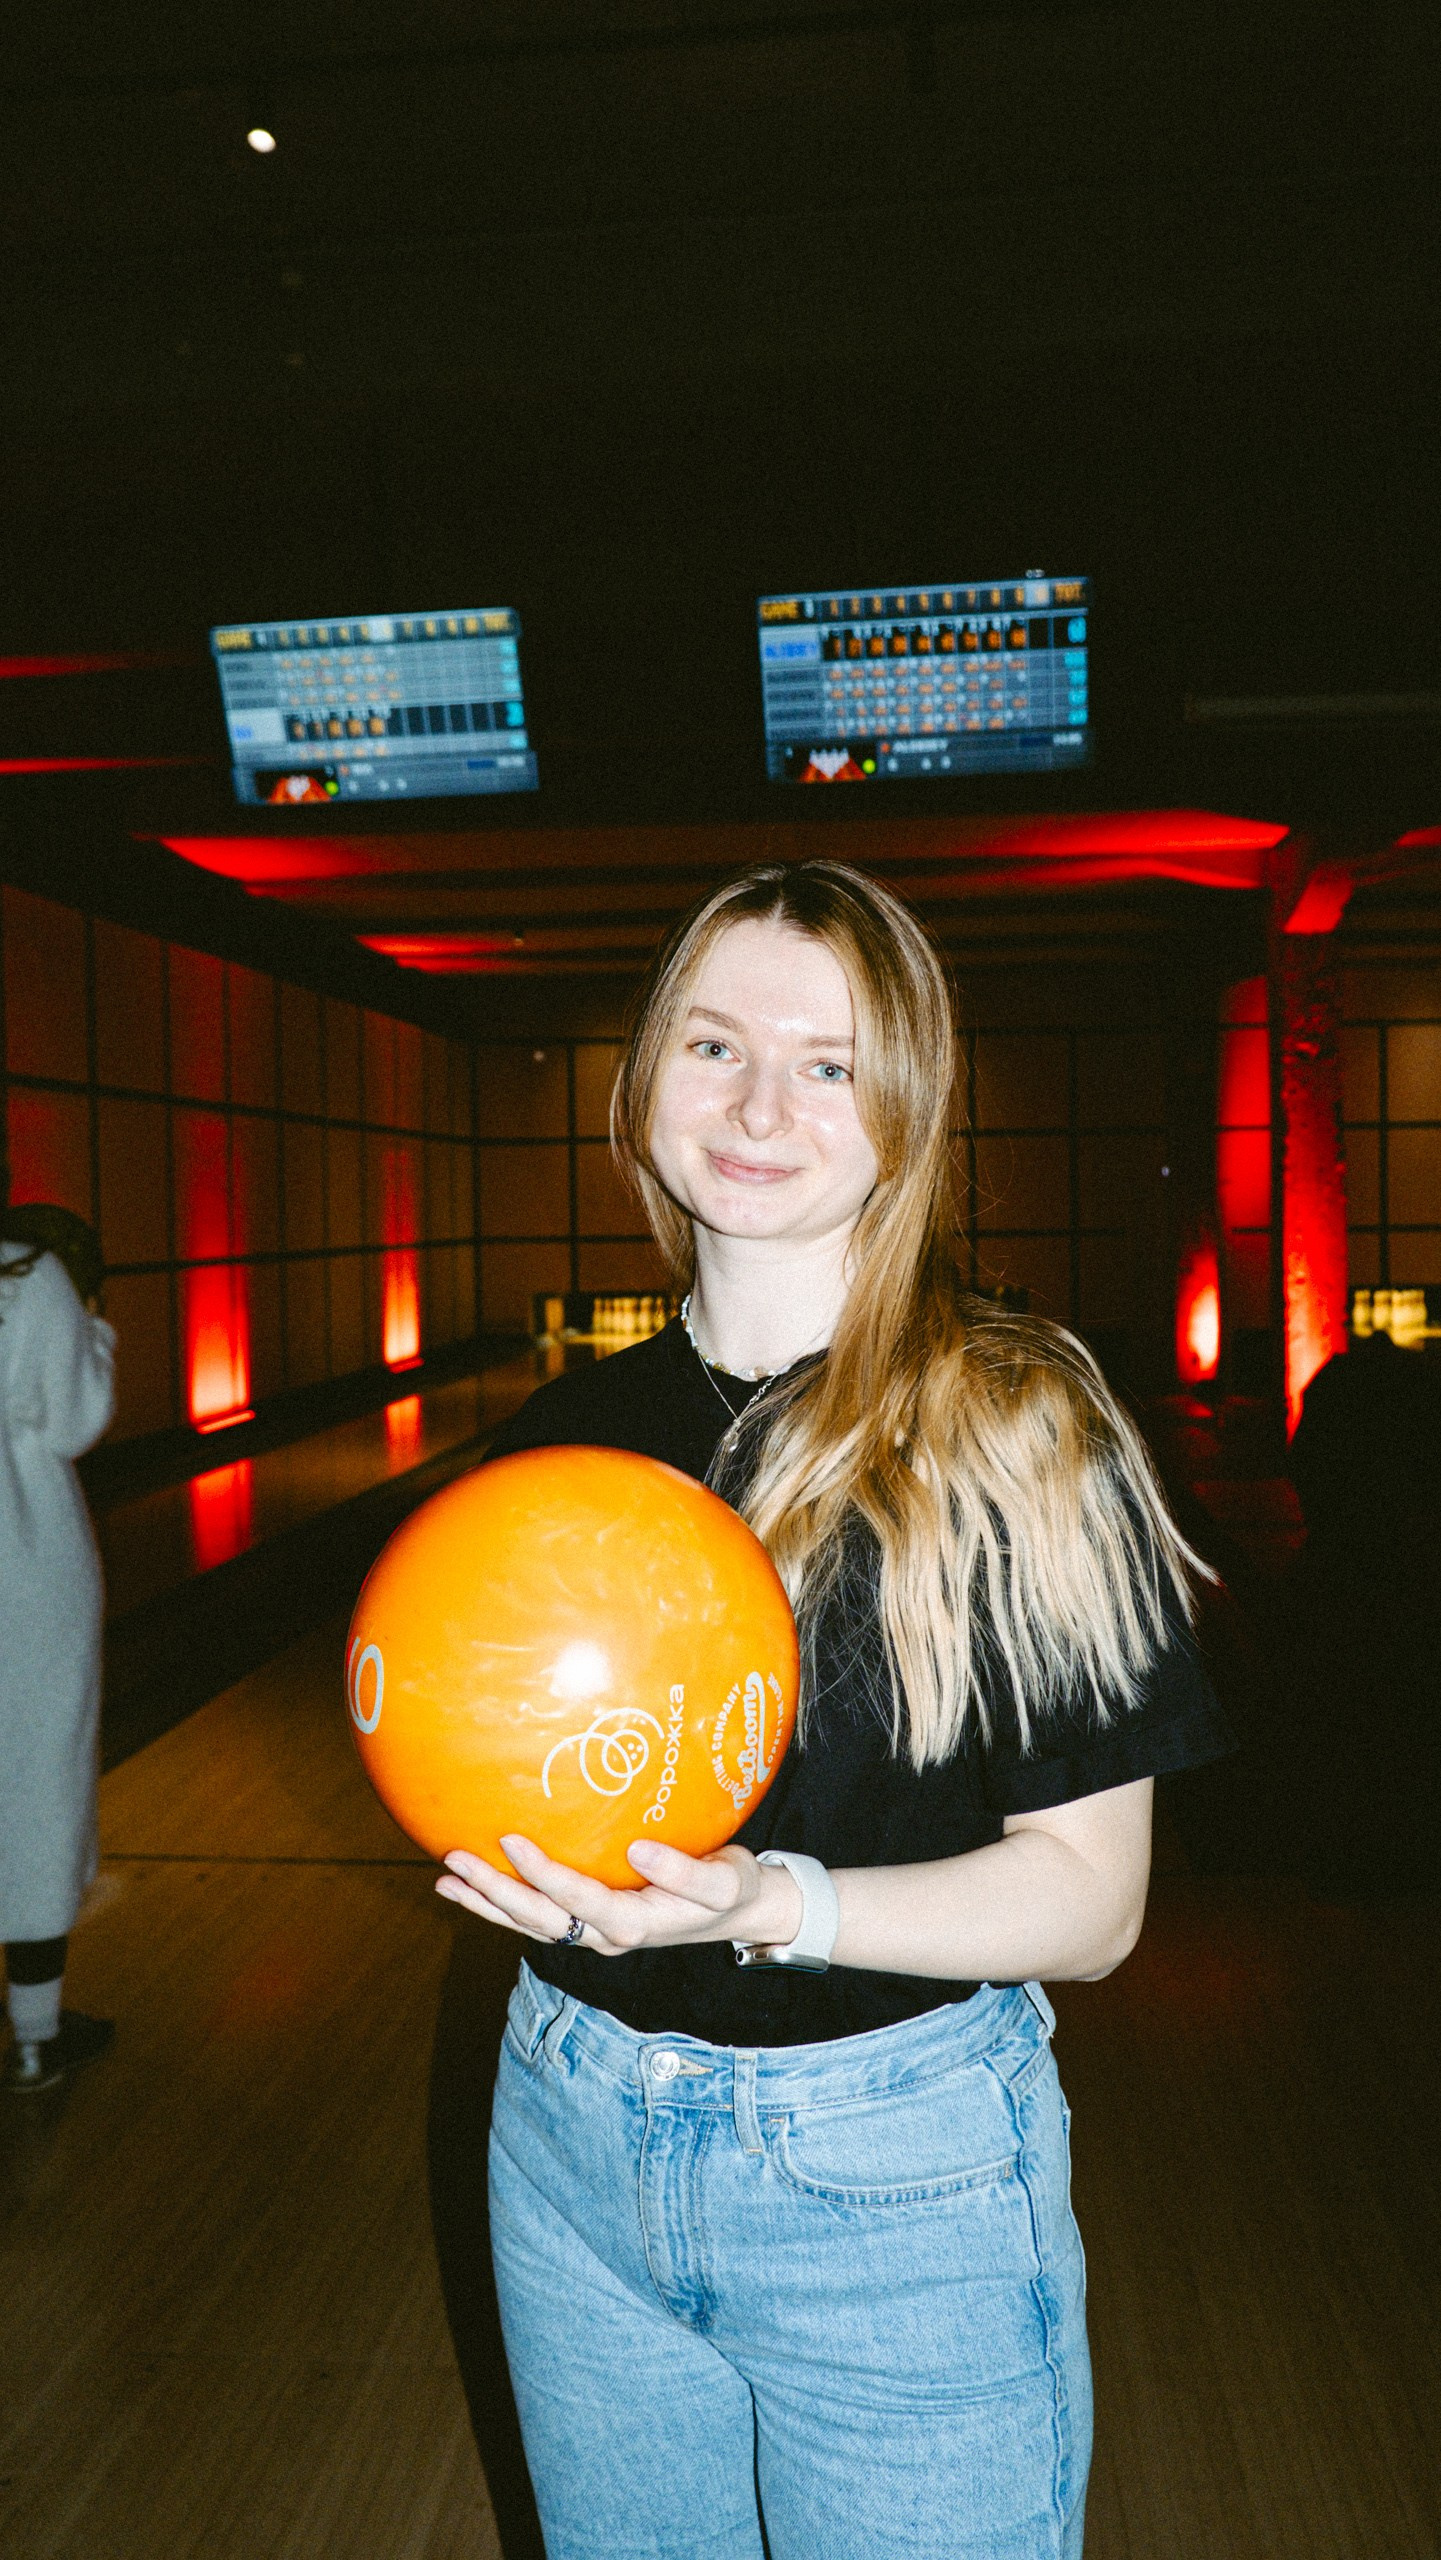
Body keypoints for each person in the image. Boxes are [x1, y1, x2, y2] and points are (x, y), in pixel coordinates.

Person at [429, 862, 1232, 2560]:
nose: (757, 1108)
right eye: (714, 1045)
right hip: (567, 2123)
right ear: (645, 1079)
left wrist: (765, 1902)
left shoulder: (1020, 1429)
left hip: (894, 2169)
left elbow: (1091, 1906)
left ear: (907, 1105)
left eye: (828, 1063)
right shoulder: (560, 1448)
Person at [0, 1190, 117, 2094]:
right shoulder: (27, 1272)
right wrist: (93, 1329)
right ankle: (35, 2036)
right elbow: (76, 1418)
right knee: (35, 1795)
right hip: (25, 1574)